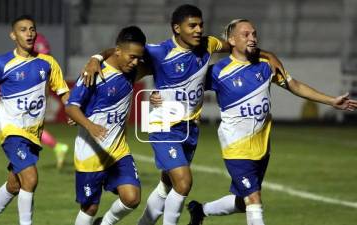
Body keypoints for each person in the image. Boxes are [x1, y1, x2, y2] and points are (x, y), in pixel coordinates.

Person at [82, 4, 286, 225]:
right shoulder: (159, 51)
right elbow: (119, 50)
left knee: (166, 185)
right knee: (184, 182)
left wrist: (269, 54)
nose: (199, 29)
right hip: (162, 122)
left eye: (200, 24)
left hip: (189, 127)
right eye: (192, 25)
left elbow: (237, 46)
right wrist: (95, 58)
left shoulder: (208, 44)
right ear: (177, 28)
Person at [186, 19, 357, 225]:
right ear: (231, 40)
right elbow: (187, 87)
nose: (253, 38)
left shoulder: (267, 66)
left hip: (262, 146)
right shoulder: (218, 71)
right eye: (246, 34)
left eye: (254, 34)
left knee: (244, 201)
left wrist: (331, 101)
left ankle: (200, 210)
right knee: (254, 199)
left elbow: (294, 85)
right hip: (235, 146)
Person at [0, 15, 70, 225]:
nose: (29, 33)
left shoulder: (48, 63)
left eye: (32, 29)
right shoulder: (1, 63)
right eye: (23, 30)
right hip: (10, 128)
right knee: (31, 178)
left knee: (15, 184)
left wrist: (72, 111)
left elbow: (64, 92)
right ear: (13, 35)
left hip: (33, 132)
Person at [65, 26, 147, 225]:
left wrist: (97, 56)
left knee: (132, 198)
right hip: (90, 154)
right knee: (90, 207)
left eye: (138, 57)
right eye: (132, 57)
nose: (135, 62)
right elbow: (70, 107)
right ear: (118, 51)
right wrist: (89, 125)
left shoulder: (131, 71)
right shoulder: (92, 74)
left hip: (118, 151)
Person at [34, 32, 70, 169]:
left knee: (29, 125)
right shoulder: (39, 38)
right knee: (31, 125)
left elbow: (45, 57)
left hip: (37, 86)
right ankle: (57, 147)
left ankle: (57, 146)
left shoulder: (37, 40)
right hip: (38, 85)